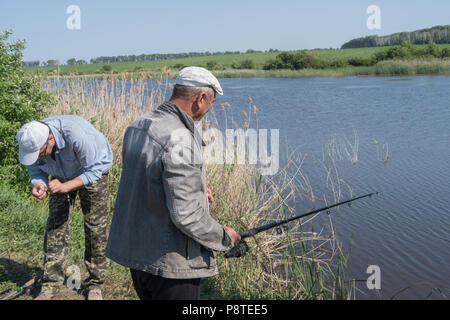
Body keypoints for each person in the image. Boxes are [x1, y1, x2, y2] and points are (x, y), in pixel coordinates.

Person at [106, 66, 241, 300]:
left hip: (139, 257)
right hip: (171, 266)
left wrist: (196, 189)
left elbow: (149, 181)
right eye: (212, 103)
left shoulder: (138, 125)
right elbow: (186, 215)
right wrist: (224, 237)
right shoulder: (180, 138)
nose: (209, 110)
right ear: (200, 99)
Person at [16, 115, 113, 300]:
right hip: (61, 174)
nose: (37, 158)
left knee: (96, 228)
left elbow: (93, 170)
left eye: (39, 153)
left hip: (93, 170)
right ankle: (50, 284)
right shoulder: (32, 139)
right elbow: (35, 170)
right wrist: (39, 183)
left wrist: (66, 186)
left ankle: (95, 284)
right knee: (55, 226)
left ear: (50, 139)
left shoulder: (75, 134)